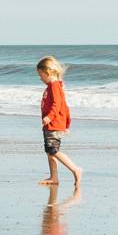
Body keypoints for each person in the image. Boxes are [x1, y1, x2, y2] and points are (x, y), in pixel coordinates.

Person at [37, 56, 83, 186]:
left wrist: (50, 117)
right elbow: (65, 106)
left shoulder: (54, 86)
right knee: (49, 151)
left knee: (53, 150)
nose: (40, 78)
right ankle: (54, 177)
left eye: (41, 75)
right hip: (52, 124)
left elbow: (57, 105)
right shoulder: (55, 86)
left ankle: (75, 169)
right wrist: (67, 123)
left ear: (48, 72)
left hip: (54, 124)